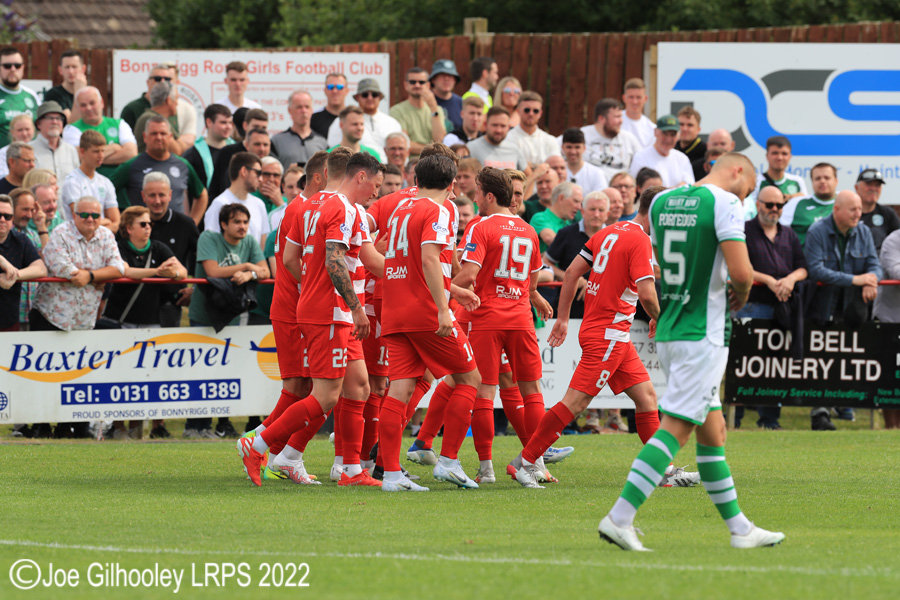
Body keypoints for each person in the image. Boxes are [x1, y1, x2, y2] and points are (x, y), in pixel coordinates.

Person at [597, 152, 785, 551]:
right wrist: (742, 293)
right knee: (676, 428)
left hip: (671, 327)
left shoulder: (663, 201)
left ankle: (740, 529)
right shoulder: (725, 203)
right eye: (749, 189)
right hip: (704, 332)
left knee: (713, 432)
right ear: (738, 171)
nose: (747, 198)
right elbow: (740, 273)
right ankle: (619, 517)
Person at [237, 153, 386, 487]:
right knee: (325, 395)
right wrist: (355, 307)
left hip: (327, 309)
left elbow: (290, 257)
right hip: (332, 312)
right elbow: (335, 259)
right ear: (360, 177)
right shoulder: (345, 209)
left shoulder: (307, 205)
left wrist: (310, 286)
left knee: (359, 385)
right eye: (374, 186)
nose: (374, 194)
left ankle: (349, 470)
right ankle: (257, 443)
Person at [516, 189, 666, 488]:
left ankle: (661, 469)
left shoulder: (613, 230)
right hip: (608, 334)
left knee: (647, 397)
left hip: (608, 331)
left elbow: (571, 271)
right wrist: (660, 318)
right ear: (658, 212)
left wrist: (562, 318)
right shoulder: (640, 240)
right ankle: (527, 462)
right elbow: (648, 295)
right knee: (576, 402)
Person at [376, 154, 481, 491]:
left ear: (416, 180)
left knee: (401, 388)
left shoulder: (400, 210)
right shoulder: (439, 210)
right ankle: (448, 461)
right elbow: (430, 259)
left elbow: (399, 259)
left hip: (395, 309)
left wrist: (454, 289)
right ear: (452, 185)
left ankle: (390, 474)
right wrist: (442, 307)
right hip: (424, 312)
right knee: (469, 378)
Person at [453, 166, 552, 483]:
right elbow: (532, 283)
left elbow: (468, 275)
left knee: (483, 392)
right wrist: (532, 298)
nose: (474, 196)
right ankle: (534, 464)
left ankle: (486, 469)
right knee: (532, 392)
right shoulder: (528, 230)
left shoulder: (480, 227)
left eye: (477, 191)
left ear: (489, 196)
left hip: (488, 317)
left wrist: (440, 290)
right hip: (521, 317)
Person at [102, 205, 185, 440]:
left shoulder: (158, 248)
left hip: (150, 322)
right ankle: (117, 427)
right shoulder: (119, 248)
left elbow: (182, 271)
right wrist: (157, 271)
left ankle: (137, 429)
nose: (149, 228)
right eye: (143, 224)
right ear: (129, 228)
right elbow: (124, 271)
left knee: (144, 376)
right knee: (120, 376)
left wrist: (173, 274)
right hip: (121, 320)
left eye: (150, 224)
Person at [805, 190, 882, 430]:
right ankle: (820, 413)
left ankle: (843, 404)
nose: (858, 214)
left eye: (859, 209)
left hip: (851, 310)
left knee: (847, 359)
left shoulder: (864, 231)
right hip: (822, 308)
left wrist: (871, 280)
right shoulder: (816, 231)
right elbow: (815, 269)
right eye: (853, 209)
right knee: (820, 361)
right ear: (836, 210)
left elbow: (875, 266)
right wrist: (855, 280)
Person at [738, 185, 808, 430]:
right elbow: (739, 266)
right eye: (770, 205)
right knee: (744, 363)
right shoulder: (744, 230)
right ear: (758, 204)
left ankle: (769, 420)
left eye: (780, 205)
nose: (775, 210)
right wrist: (768, 280)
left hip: (782, 308)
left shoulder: (788, 233)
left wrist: (790, 279)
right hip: (752, 305)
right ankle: (734, 418)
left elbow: (802, 266)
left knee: (775, 365)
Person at [31, 196, 126, 334]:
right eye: (84, 215)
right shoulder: (61, 232)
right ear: (74, 216)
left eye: (95, 215)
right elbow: (62, 268)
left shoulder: (107, 235)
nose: (90, 219)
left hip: (85, 320)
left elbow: (118, 268)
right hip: (49, 317)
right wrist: (100, 276)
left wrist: (91, 276)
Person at [110, 116, 208, 225]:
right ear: (144, 137)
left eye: (163, 133)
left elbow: (202, 194)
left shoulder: (183, 165)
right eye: (154, 134)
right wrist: (118, 220)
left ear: (170, 136)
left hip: (175, 234)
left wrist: (192, 223)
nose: (159, 137)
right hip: (142, 234)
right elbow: (107, 191)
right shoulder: (131, 166)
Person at [143, 171, 199, 327]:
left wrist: (196, 289)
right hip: (134, 303)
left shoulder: (185, 224)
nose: (157, 201)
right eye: (152, 195)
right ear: (143, 196)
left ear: (170, 195)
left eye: (162, 195)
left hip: (170, 304)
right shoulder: (131, 222)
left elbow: (204, 260)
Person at [544, 190, 609, 319]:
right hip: (568, 309)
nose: (596, 214)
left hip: (603, 308)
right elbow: (545, 261)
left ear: (607, 214)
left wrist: (593, 285)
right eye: (592, 209)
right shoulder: (566, 233)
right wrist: (570, 278)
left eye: (601, 210)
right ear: (583, 212)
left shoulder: (615, 237)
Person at [62, 87, 137, 178]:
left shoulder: (120, 124)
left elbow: (131, 153)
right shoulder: (71, 129)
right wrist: (114, 147)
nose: (88, 108)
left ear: (102, 103)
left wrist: (92, 158)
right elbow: (77, 157)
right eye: (83, 105)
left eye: (92, 103)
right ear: (77, 108)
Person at [0, 194, 46, 332]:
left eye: (7, 216)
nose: (2, 220)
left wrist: (15, 274)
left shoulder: (20, 240)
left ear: (12, 220)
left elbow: (41, 269)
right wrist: (5, 263)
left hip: (8, 320)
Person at [326, 79, 401, 163]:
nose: (370, 98)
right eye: (365, 95)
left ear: (379, 97)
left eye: (374, 94)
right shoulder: (339, 121)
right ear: (357, 97)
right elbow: (334, 151)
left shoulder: (392, 123)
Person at [59, 130, 120, 231]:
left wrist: (100, 227)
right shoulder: (72, 181)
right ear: (82, 152)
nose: (101, 155)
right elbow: (81, 220)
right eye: (96, 151)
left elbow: (116, 222)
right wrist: (106, 221)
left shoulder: (106, 182)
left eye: (103, 151)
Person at [204, 152, 269, 246]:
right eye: (258, 173)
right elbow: (210, 244)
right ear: (244, 171)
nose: (261, 179)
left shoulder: (259, 204)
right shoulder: (220, 204)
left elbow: (262, 245)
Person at [208, 109, 269, 199]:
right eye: (255, 127)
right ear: (245, 126)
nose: (261, 148)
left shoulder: (271, 156)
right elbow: (216, 187)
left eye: (263, 128)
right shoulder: (227, 153)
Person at [873, 227, 900, 429]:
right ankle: (891, 428)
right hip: (890, 320)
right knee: (890, 378)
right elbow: (895, 271)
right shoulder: (893, 240)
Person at [745, 135, 808, 218]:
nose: (779, 157)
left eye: (784, 153)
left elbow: (804, 208)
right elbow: (751, 210)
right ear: (767, 155)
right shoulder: (757, 181)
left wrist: (792, 197)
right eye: (775, 153)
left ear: (790, 157)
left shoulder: (797, 181)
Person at [579, 98, 641, 181]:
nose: (621, 121)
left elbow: (642, 162)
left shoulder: (629, 138)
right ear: (601, 118)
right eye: (617, 117)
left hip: (622, 189)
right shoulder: (582, 135)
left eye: (621, 116)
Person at [390, 67, 446, 157]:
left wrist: (433, 108)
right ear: (405, 85)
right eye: (412, 82)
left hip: (435, 162)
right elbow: (403, 144)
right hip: (410, 163)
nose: (417, 85)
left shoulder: (437, 109)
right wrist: (434, 150)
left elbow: (439, 139)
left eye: (421, 82)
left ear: (428, 85)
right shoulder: (397, 110)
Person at [780, 162, 838, 247]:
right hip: (805, 259)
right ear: (812, 182)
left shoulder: (845, 201)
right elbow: (776, 230)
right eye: (817, 178)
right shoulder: (796, 204)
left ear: (836, 181)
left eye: (827, 178)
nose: (822, 181)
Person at [629, 115, 694, 187]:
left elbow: (689, 185)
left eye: (673, 134)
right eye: (665, 133)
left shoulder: (682, 159)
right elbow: (635, 186)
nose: (668, 139)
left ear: (678, 136)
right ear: (655, 132)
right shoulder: (641, 157)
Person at [272, 90, 328, 169]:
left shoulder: (322, 142)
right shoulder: (277, 141)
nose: (303, 111)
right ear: (289, 110)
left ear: (312, 110)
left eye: (307, 107)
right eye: (299, 107)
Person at [182, 104, 234, 188]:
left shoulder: (237, 151)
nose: (229, 127)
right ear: (209, 122)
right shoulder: (192, 154)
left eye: (230, 123)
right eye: (223, 122)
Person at [466, 107, 528, 171]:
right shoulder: (471, 148)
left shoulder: (515, 149)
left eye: (503, 126)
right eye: (495, 125)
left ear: (508, 127)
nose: (498, 130)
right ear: (485, 125)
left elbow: (528, 176)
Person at [507, 91, 558, 167]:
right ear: (518, 111)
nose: (531, 114)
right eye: (527, 110)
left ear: (540, 113)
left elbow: (556, 166)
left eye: (535, 111)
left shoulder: (551, 140)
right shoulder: (508, 138)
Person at [0, 47, 38, 148]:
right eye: (7, 66)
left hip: (30, 158)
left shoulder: (32, 95)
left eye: (17, 66)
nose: (12, 69)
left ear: (23, 67)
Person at [31, 102, 79, 182]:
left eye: (59, 118)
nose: (55, 122)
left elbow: (77, 180)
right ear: (39, 124)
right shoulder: (29, 150)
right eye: (50, 118)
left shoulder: (71, 150)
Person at [133, 81, 184, 154]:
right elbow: (177, 151)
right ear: (168, 100)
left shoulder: (154, 117)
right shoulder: (151, 119)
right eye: (176, 98)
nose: (177, 103)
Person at [856, 168, 900, 254]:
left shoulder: (888, 213)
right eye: (868, 184)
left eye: (877, 185)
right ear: (856, 187)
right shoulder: (847, 213)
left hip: (883, 264)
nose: (873, 189)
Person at [531, 181, 582, 254]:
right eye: (576, 201)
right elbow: (550, 239)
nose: (579, 207)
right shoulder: (540, 218)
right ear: (561, 198)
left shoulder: (569, 225)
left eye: (580, 203)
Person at [44, 50, 87, 123]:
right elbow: (71, 125)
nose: (71, 71)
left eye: (74, 67)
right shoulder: (53, 95)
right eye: (67, 67)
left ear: (83, 69)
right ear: (60, 70)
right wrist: (78, 93)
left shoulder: (91, 93)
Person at [561, 128, 609, 194]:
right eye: (569, 147)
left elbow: (600, 199)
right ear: (563, 148)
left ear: (584, 148)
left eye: (577, 147)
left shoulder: (596, 174)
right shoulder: (557, 173)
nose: (573, 152)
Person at [310, 73, 348, 139]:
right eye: (330, 87)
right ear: (325, 90)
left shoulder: (354, 118)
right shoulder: (313, 119)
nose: (335, 91)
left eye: (340, 87)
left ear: (346, 91)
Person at [429, 59, 463, 131]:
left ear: (455, 80)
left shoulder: (460, 102)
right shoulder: (425, 101)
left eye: (450, 75)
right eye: (442, 75)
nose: (446, 78)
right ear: (433, 79)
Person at [620, 78, 655, 148]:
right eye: (631, 97)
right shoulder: (613, 122)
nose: (634, 101)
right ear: (624, 98)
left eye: (638, 97)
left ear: (645, 99)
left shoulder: (652, 129)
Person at [0, 114, 35, 179]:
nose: (24, 133)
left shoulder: (41, 150)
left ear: (33, 130)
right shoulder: (3, 152)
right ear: (12, 132)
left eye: (27, 129)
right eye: (20, 130)